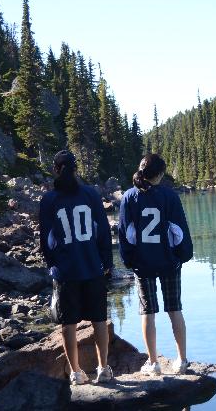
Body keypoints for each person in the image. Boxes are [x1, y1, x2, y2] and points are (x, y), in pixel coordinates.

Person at [39, 150, 114, 385]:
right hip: (92, 266)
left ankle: (76, 372)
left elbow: (47, 240)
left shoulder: (49, 200)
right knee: (99, 319)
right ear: (76, 169)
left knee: (68, 323)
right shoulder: (90, 194)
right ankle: (103, 369)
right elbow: (102, 231)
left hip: (65, 270)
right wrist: (107, 262)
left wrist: (53, 265)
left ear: (56, 170)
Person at [118, 154, 194, 375]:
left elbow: (127, 235)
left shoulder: (129, 197)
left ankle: (153, 363)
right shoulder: (169, 196)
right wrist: (182, 256)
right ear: (160, 174)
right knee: (174, 309)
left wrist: (129, 261)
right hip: (169, 262)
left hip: (143, 264)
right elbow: (178, 232)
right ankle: (181, 359)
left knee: (147, 312)